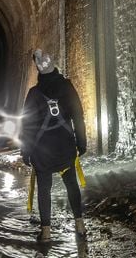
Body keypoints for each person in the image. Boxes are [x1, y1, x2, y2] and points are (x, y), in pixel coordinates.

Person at [20, 48, 87, 242]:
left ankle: (46, 232)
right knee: (71, 184)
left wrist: (26, 151)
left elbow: (27, 126)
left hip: (43, 150)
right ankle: (80, 225)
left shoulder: (34, 93)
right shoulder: (67, 87)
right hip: (65, 146)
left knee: (44, 188)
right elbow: (78, 117)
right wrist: (81, 143)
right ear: (54, 66)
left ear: (39, 71)